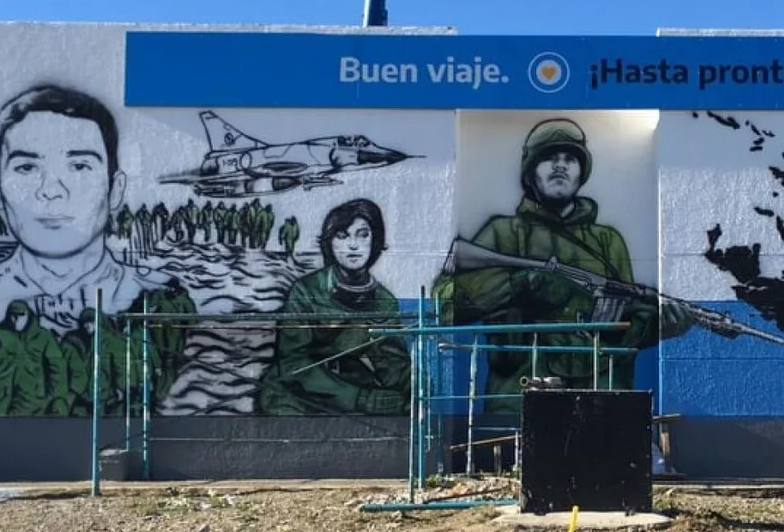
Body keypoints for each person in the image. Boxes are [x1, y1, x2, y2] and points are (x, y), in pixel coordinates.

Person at [0, 84, 193, 415]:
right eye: (27, 167)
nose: (52, 191)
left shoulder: (157, 297)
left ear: (115, 189)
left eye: (79, 166)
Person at [434, 118, 692, 414]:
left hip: (600, 398)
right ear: (530, 171)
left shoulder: (607, 242)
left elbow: (627, 322)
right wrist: (523, 284)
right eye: (548, 158)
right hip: (518, 399)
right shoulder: (503, 233)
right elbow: (444, 306)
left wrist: (660, 325)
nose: (560, 166)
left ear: (582, 171)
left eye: (570, 159)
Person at [259, 199, 412, 415]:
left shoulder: (384, 300)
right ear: (330, 243)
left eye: (363, 234)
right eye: (342, 236)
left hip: (352, 385)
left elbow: (390, 361)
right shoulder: (306, 291)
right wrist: (359, 399)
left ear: (376, 240)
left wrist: (413, 385)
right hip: (300, 390)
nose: (353, 245)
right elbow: (293, 363)